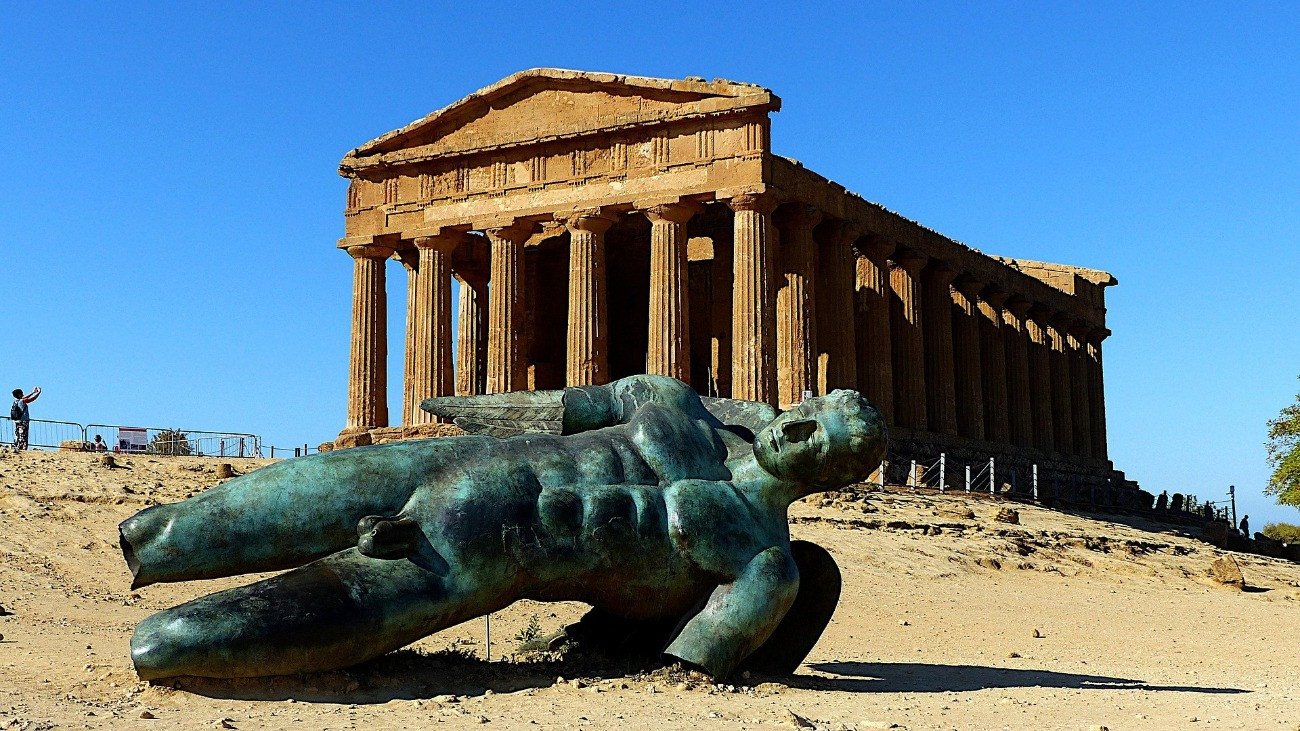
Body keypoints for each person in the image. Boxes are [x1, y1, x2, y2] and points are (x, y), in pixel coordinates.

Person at [119, 375, 886, 681]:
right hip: (464, 460)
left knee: (173, 644)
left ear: (836, 480)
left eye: (827, 448)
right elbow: (557, 407)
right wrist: (459, 405)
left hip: (489, 553)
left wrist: (610, 638)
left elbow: (683, 662)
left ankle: (171, 642)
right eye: (811, 418)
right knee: (166, 531)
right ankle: (153, 544)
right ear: (802, 403)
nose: (803, 436)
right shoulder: (676, 403)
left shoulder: (764, 563)